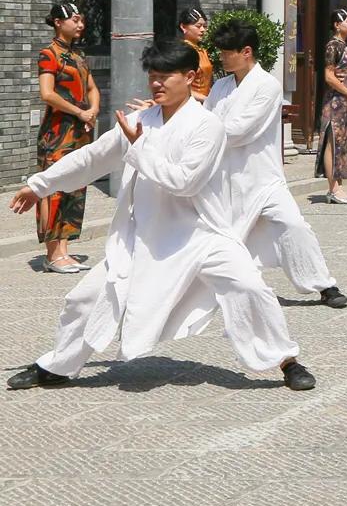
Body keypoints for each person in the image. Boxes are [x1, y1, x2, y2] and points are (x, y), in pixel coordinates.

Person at [6, 41, 315, 393]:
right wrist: (40, 185)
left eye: (165, 76)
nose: (157, 84)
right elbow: (92, 158)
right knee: (86, 298)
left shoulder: (207, 126)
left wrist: (139, 148)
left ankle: (287, 361)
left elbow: (184, 181)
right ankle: (56, 366)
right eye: (153, 77)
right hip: (144, 238)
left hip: (202, 236)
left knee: (248, 286)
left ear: (191, 77)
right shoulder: (138, 121)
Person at [204, 18, 347, 310]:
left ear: (246, 51)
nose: (222, 57)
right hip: (227, 178)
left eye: (226, 51)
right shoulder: (220, 86)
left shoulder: (267, 86)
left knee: (293, 225)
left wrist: (206, 130)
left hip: (263, 178)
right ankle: (217, 289)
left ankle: (324, 284)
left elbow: (240, 129)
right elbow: (207, 121)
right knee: (223, 238)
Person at [34, 1, 99, 274]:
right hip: (57, 133)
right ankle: (52, 254)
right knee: (54, 190)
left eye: (81, 19)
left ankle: (65, 250)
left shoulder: (79, 56)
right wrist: (79, 112)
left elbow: (92, 88)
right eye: (74, 19)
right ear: (59, 22)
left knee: (75, 188)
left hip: (80, 132)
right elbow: (47, 94)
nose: (80, 24)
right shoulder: (48, 54)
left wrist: (93, 110)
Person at [316, 8, 347, 205]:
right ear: (336, 24)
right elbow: (329, 76)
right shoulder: (333, 46)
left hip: (346, 102)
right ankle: (333, 188)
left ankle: (339, 185)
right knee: (333, 142)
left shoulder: (346, 47)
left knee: (344, 144)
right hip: (335, 102)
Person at [179, 8, 212, 101]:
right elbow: (180, 86)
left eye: (204, 26)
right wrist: (207, 100)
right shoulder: (182, 51)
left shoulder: (203, 51)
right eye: (198, 26)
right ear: (183, 27)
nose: (202, 30)